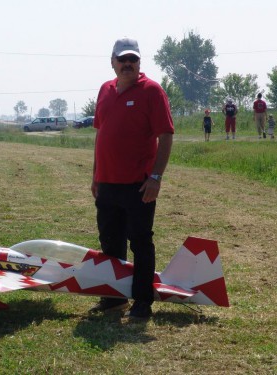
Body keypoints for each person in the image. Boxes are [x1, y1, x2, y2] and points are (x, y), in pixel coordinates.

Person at [90, 37, 174, 320]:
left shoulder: (152, 91)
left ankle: (142, 301)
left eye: (133, 60)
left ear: (139, 62)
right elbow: (100, 134)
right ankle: (113, 299)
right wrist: (95, 175)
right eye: (122, 59)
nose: (128, 64)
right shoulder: (104, 89)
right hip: (107, 182)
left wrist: (156, 177)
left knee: (140, 241)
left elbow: (166, 135)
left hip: (139, 184)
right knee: (110, 243)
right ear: (112, 62)